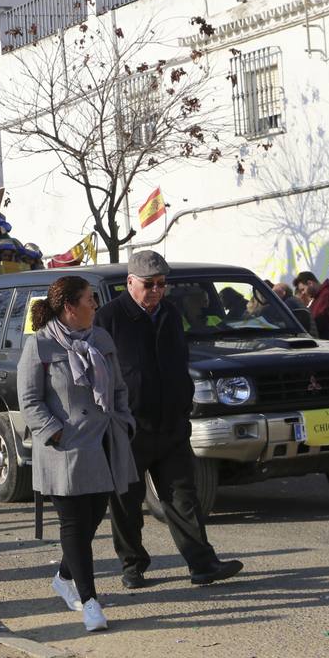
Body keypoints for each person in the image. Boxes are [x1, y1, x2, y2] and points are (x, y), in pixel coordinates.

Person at [95, 250, 243, 588]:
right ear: (130, 282)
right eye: (150, 284)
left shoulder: (170, 314)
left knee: (182, 498)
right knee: (126, 502)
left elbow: (179, 361)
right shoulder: (109, 318)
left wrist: (183, 404)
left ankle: (202, 564)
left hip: (171, 425)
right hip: (128, 429)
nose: (157, 290)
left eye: (162, 284)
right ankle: (132, 566)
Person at [17, 276, 138, 633]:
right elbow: (29, 400)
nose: (96, 305)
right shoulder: (39, 345)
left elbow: (118, 387)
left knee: (93, 518)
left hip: (103, 443)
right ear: (71, 307)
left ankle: (64, 577)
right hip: (64, 448)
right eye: (90, 299)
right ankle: (90, 602)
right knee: (73, 523)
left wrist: (124, 420)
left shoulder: (101, 339)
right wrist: (53, 431)